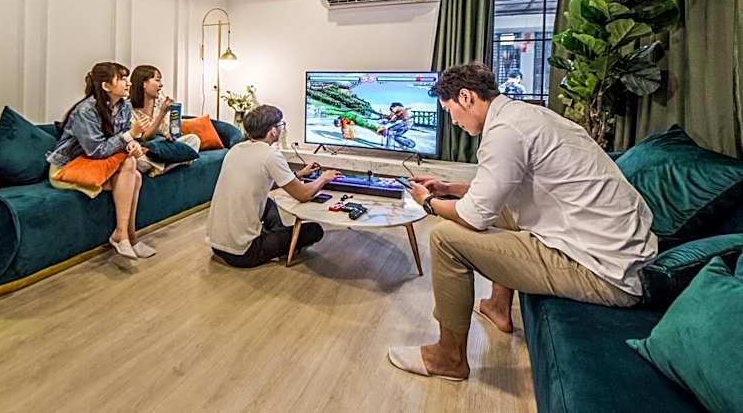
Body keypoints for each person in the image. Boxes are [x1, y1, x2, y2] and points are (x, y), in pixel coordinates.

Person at [388, 63, 657, 381]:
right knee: (504, 209)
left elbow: (474, 217)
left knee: (445, 238)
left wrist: (428, 203)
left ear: (466, 97)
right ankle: (497, 306)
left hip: (604, 273)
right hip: (616, 252)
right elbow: (496, 191)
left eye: (450, 111)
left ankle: (449, 358)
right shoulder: (523, 116)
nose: (453, 121)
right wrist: (448, 188)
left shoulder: (504, 133)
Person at [207, 104, 342, 268]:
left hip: (217, 246)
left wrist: (299, 174)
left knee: (268, 203)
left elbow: (260, 183)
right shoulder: (271, 155)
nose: (282, 128)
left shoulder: (235, 150)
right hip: (244, 253)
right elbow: (303, 195)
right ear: (272, 131)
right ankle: (279, 239)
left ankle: (278, 236)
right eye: (281, 125)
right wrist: (324, 178)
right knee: (314, 230)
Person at [46, 62, 156, 260]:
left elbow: (121, 137)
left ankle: (128, 236)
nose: (129, 83)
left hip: (97, 161)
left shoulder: (124, 105)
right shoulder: (85, 111)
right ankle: (124, 235)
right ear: (106, 86)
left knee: (134, 172)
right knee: (133, 172)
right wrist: (130, 135)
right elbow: (96, 150)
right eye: (122, 79)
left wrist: (132, 143)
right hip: (69, 166)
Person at [128, 65, 201, 174]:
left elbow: (166, 131)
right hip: (147, 148)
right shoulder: (128, 108)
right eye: (157, 80)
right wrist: (162, 113)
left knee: (194, 140)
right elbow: (144, 138)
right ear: (144, 83)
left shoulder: (160, 102)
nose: (161, 85)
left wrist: (169, 135)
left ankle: (162, 168)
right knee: (140, 163)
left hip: (162, 145)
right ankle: (175, 162)